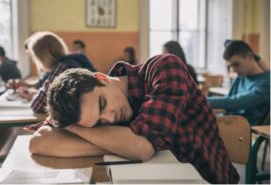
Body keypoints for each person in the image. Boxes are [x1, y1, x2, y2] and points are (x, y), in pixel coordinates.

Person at [29, 54, 239, 183]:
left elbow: (142, 149)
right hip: (154, 177)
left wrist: (77, 130)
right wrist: (119, 143)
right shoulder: (98, 112)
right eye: (98, 123)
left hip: (206, 178)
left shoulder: (164, 68)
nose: (110, 119)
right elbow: (39, 142)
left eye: (102, 104)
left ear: (102, 78)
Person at [15, 31, 97, 113]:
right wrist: (36, 94)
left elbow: (37, 106)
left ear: (41, 56)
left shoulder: (62, 67)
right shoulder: (75, 59)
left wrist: (28, 96)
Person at [207, 40, 270, 125]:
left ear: (250, 57)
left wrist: (200, 100)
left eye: (236, 64)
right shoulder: (241, 76)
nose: (233, 70)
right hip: (230, 123)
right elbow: (229, 99)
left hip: (244, 131)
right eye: (230, 66)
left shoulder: (267, 83)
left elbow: (234, 103)